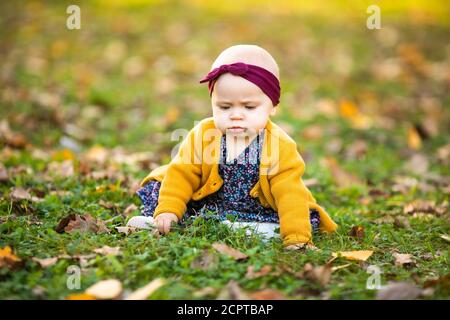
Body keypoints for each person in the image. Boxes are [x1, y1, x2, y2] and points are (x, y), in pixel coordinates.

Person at [127, 44, 338, 250]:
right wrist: (169, 209)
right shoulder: (204, 134)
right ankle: (166, 220)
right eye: (225, 106)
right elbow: (182, 173)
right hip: (209, 201)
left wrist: (296, 237)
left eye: (249, 107)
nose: (236, 114)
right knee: (162, 187)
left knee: (298, 214)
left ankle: (262, 230)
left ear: (272, 106)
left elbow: (289, 193)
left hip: (257, 209)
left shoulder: (278, 146)